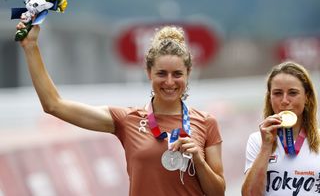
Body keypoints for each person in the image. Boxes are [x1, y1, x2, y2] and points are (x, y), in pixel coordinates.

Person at [16, 22, 226, 196]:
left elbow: (218, 192)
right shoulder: (126, 119)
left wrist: (198, 160)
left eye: (177, 74)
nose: (169, 82)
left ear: (188, 74)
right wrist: (31, 46)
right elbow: (54, 105)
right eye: (161, 73)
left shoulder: (206, 122)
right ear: (148, 73)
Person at [241, 61, 320, 196]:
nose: (284, 100)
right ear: (270, 98)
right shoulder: (257, 140)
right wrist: (266, 147)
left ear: (307, 97)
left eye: (293, 93)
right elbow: (249, 193)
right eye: (277, 93)